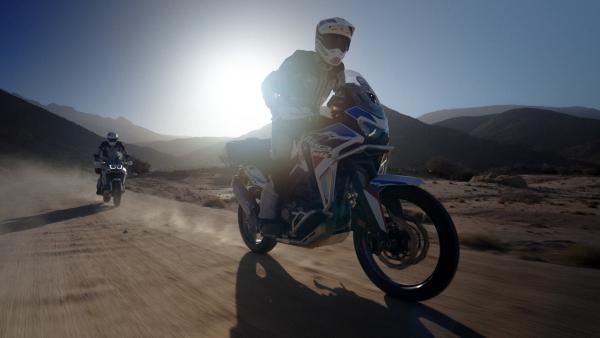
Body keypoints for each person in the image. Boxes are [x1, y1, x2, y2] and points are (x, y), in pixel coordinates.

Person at [259, 17, 355, 235]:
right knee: (281, 164)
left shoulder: (338, 70)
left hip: (313, 118)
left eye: (343, 44)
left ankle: (322, 205)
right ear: (319, 40)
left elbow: (343, 94)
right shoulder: (300, 59)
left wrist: (348, 106)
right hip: (287, 119)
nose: (338, 49)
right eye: (332, 41)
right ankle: (266, 218)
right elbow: (269, 84)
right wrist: (277, 107)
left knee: (340, 151)